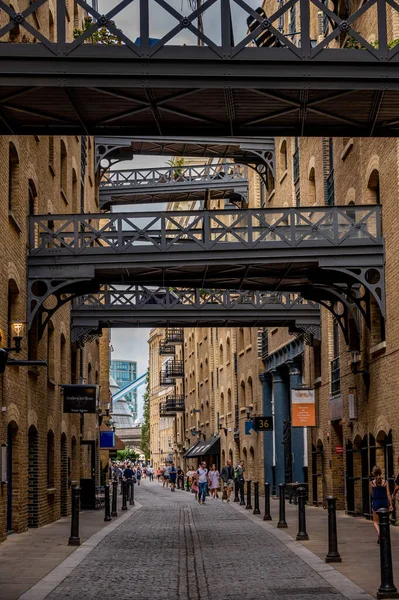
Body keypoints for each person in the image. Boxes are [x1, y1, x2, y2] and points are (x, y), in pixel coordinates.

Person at [370, 465, 393, 543]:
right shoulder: (385, 482)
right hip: (384, 502)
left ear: (373, 473)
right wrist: (391, 505)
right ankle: (382, 535)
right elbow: (388, 494)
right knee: (384, 521)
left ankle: (380, 533)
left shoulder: (372, 483)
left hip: (376, 503)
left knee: (375, 522)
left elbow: (372, 494)